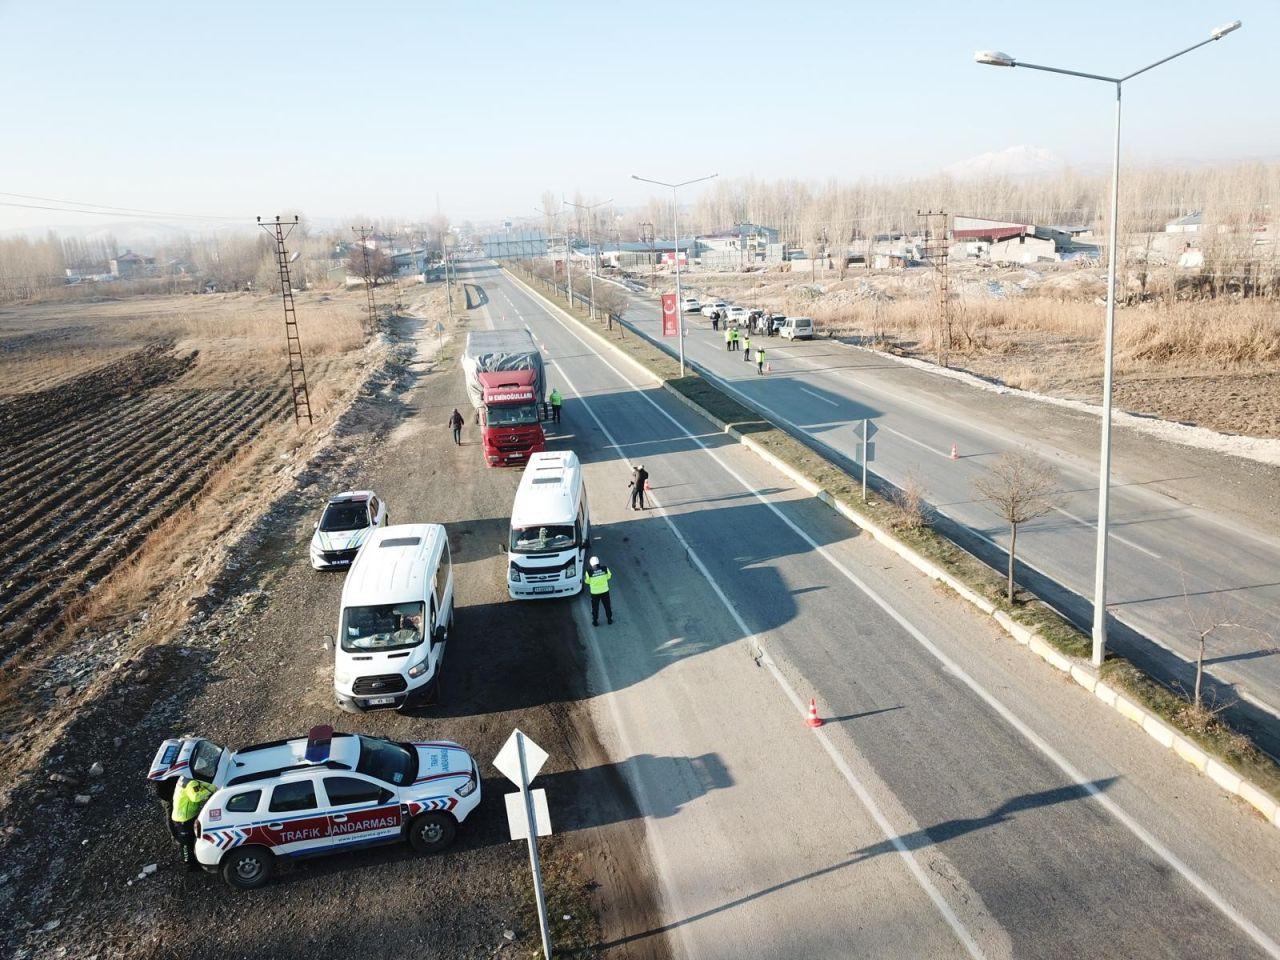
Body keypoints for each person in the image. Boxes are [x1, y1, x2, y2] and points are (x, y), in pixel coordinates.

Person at [169, 777, 215, 871]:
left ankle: (193, 860)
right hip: (183, 819)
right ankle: (189, 865)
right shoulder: (191, 783)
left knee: (192, 839)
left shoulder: (186, 779)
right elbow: (196, 797)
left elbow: (201, 786)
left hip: (187, 816)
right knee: (186, 843)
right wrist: (211, 788)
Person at [583, 556, 613, 626]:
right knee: (607, 606)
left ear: (591, 563)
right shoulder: (605, 568)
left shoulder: (589, 572)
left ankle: (595, 622)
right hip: (605, 591)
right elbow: (609, 576)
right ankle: (609, 620)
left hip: (594, 593)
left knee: (595, 608)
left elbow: (587, 581)